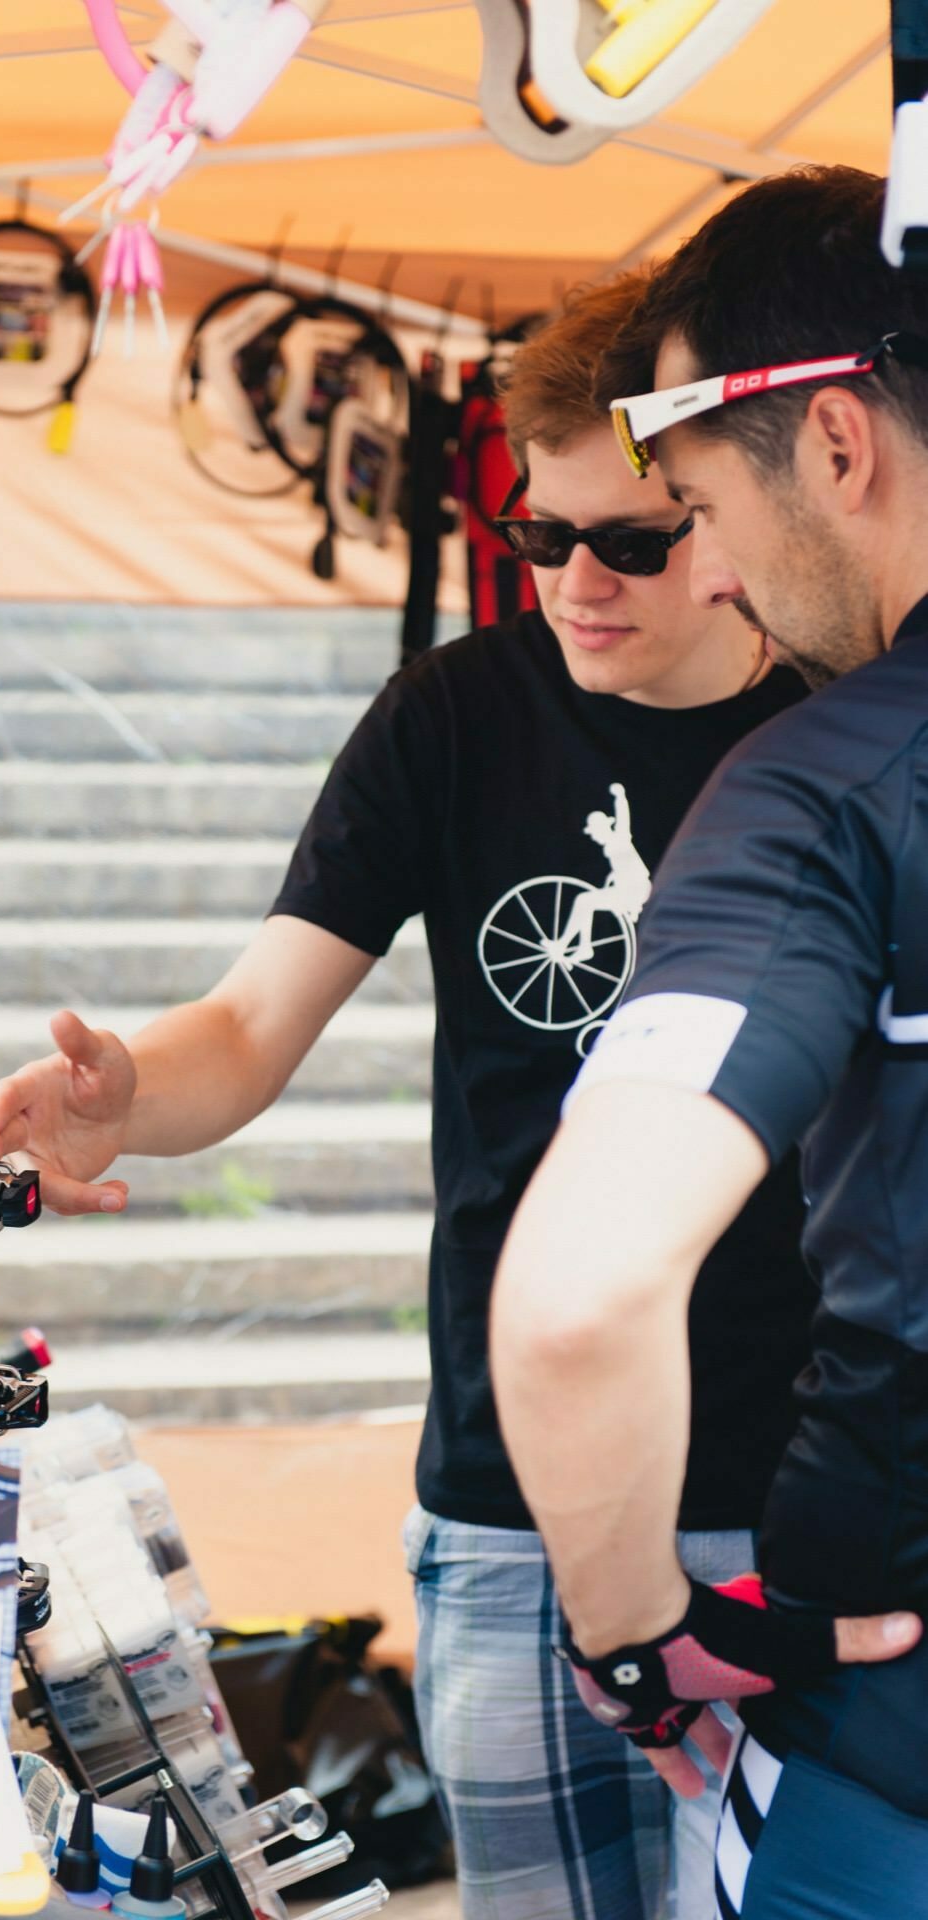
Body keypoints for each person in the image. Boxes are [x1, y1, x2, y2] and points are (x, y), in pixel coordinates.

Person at [0, 271, 816, 1920]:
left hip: (804, 1492)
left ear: (726, 518)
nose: (573, 581)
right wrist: (130, 1094)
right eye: (536, 532)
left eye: (630, 542)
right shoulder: (450, 718)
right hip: (519, 1501)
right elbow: (251, 1018)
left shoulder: (836, 728)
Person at [490, 165, 928, 1920]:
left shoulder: (823, 790)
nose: (716, 573)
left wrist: (633, 1638)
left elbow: (578, 1301)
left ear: (834, 442)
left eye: (689, 507)